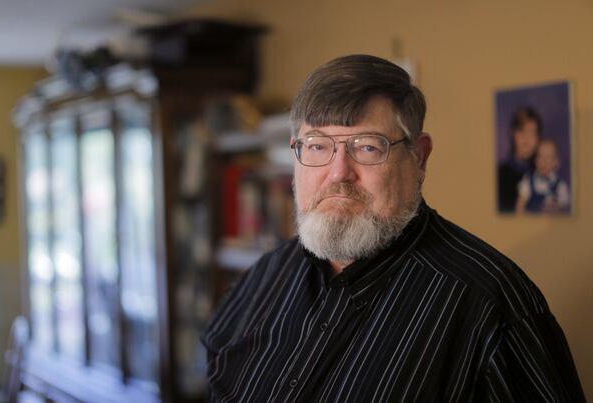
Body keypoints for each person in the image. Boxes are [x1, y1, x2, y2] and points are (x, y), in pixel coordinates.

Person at [202, 55, 585, 402]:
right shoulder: (265, 276)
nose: (338, 174)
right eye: (317, 146)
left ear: (418, 157)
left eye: (368, 146)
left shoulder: (494, 306)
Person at [497, 106, 542, 213]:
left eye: (532, 133)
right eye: (522, 131)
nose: (526, 138)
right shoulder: (499, 173)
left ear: (538, 138)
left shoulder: (543, 173)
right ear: (513, 133)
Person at [516, 138, 571, 214]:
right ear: (535, 160)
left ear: (556, 162)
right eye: (540, 156)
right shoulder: (528, 181)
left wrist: (557, 208)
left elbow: (565, 209)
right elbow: (520, 205)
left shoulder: (561, 185)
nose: (543, 161)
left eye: (548, 157)